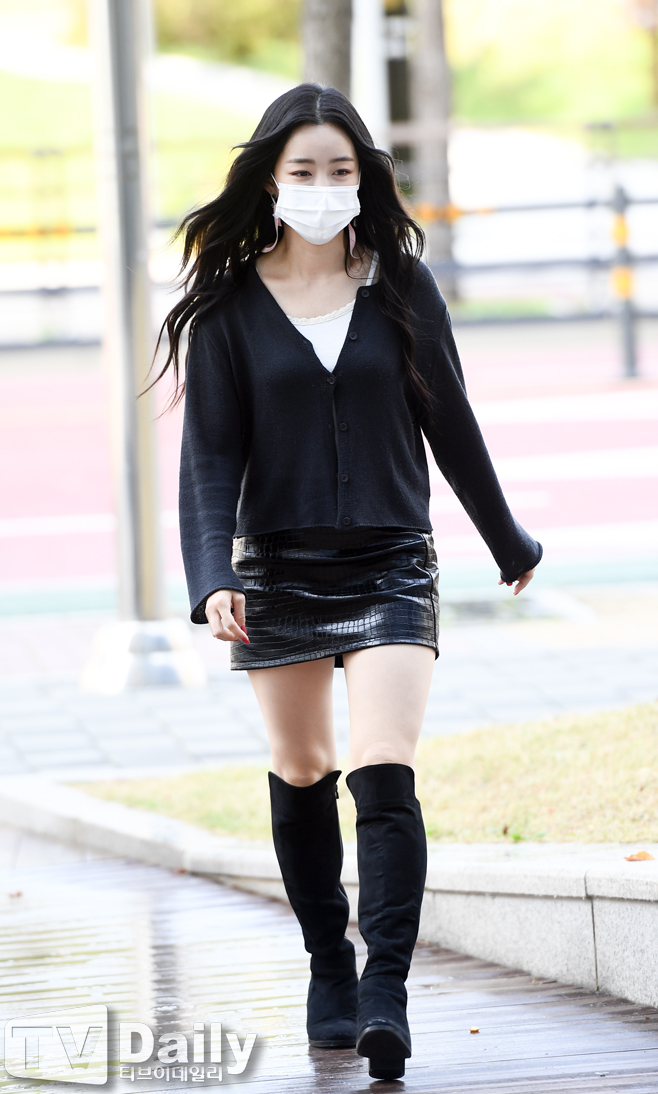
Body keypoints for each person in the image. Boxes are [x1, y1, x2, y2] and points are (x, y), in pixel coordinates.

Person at [155, 84, 541, 1082]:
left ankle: (385, 992)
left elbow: (450, 418)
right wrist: (211, 576)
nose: (324, 186)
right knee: (301, 768)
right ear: (270, 180)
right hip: (277, 570)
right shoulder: (227, 306)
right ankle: (329, 963)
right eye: (304, 170)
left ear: (364, 178)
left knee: (383, 764)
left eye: (342, 169)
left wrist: (506, 538)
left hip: (390, 560)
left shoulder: (402, 284)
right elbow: (208, 458)